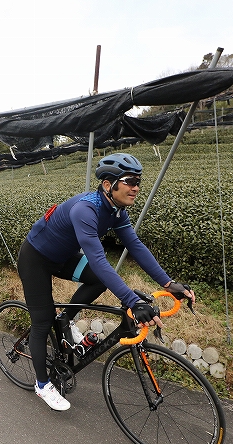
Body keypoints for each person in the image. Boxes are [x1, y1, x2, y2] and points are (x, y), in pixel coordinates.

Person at [18, 153, 196, 411]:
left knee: (97, 281)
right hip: (36, 258)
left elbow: (134, 245)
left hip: (63, 257)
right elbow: (99, 260)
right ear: (107, 185)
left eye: (138, 181)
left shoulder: (116, 211)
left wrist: (169, 284)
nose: (135, 187)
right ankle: (43, 385)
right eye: (129, 181)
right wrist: (132, 301)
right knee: (42, 322)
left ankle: (65, 319)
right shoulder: (86, 209)